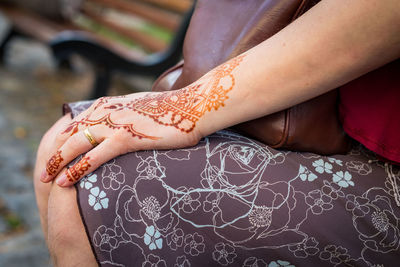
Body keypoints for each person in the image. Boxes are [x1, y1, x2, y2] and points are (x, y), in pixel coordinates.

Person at [34, 0, 400, 266]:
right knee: (68, 139)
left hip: (385, 157)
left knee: (101, 185)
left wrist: (188, 106)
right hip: (328, 112)